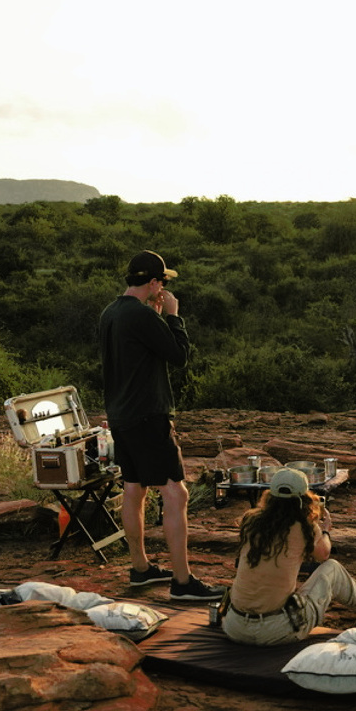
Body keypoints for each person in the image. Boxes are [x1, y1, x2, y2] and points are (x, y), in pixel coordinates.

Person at [98, 249, 224, 601]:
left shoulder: (111, 312)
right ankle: (183, 583)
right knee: (175, 492)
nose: (164, 289)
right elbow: (180, 356)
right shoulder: (143, 315)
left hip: (120, 415)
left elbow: (134, 355)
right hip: (149, 415)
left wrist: (155, 318)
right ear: (153, 283)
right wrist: (172, 316)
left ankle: (140, 569)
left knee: (134, 488)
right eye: (162, 283)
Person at [221, 467, 356, 646]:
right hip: (276, 631)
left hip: (234, 626)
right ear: (303, 498)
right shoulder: (304, 528)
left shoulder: (250, 521)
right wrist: (325, 530)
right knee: (332, 568)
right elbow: (323, 555)